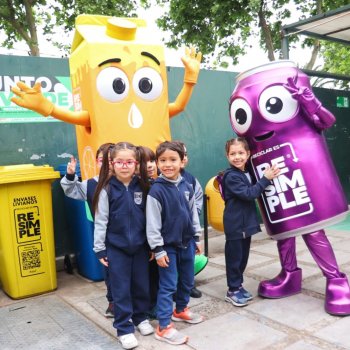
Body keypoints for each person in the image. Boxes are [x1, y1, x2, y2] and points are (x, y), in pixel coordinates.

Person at [93, 142, 153, 350]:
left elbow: (151, 219)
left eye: (129, 162)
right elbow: (101, 221)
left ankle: (140, 318)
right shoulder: (107, 189)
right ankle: (124, 328)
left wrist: (152, 246)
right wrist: (99, 248)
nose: (125, 166)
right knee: (121, 290)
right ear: (112, 163)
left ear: (136, 164)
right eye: (120, 162)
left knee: (141, 285)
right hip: (116, 249)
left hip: (140, 248)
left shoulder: (143, 187)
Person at [146, 141, 204, 346]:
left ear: (182, 162)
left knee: (187, 280)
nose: (167, 164)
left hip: (187, 243)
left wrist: (196, 237)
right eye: (162, 160)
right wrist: (158, 249)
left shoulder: (187, 185)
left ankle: (180, 309)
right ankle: (163, 326)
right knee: (168, 285)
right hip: (167, 247)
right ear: (157, 162)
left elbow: (192, 214)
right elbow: (152, 224)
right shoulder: (156, 191)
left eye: (173, 159)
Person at [221, 137, 280, 307]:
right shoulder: (231, 176)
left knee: (243, 258)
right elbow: (249, 194)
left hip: (245, 224)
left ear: (248, 154)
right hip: (235, 225)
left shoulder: (245, 172)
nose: (237, 157)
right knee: (234, 259)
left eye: (241, 153)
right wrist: (265, 178)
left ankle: (238, 285)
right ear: (227, 156)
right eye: (233, 154)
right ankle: (232, 290)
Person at [60, 142, 115, 318]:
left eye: (110, 161)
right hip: (106, 237)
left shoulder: (128, 182)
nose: (106, 165)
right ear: (97, 162)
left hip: (130, 236)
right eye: (101, 160)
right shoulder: (91, 184)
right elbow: (71, 191)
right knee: (111, 272)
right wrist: (70, 175)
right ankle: (113, 302)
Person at [175, 140, 204, 298]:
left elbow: (198, 198)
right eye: (180, 154)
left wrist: (193, 212)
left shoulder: (190, 179)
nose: (184, 157)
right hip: (171, 232)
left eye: (185, 154)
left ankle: (188, 285)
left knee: (188, 259)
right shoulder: (161, 179)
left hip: (187, 230)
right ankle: (174, 288)